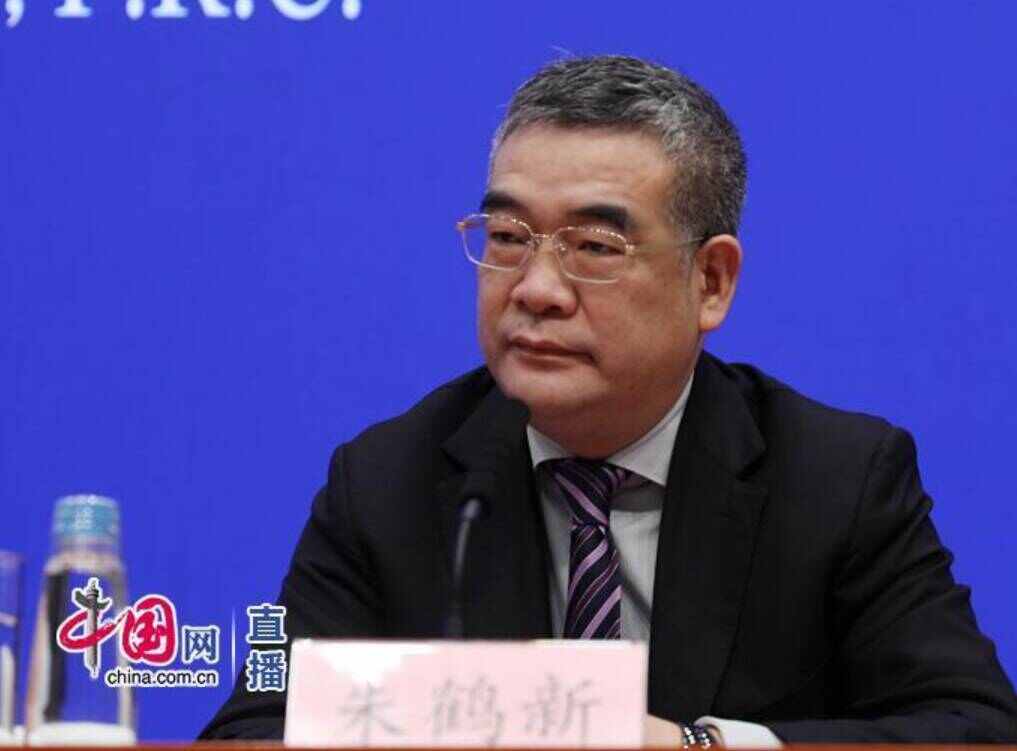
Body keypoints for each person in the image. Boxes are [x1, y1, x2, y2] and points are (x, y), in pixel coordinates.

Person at [200, 55, 1017, 745]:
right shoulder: (390, 480)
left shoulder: (834, 479)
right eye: (507, 238)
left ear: (710, 281)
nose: (536, 289)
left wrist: (700, 746)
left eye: (593, 246)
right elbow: (256, 727)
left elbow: (975, 728)